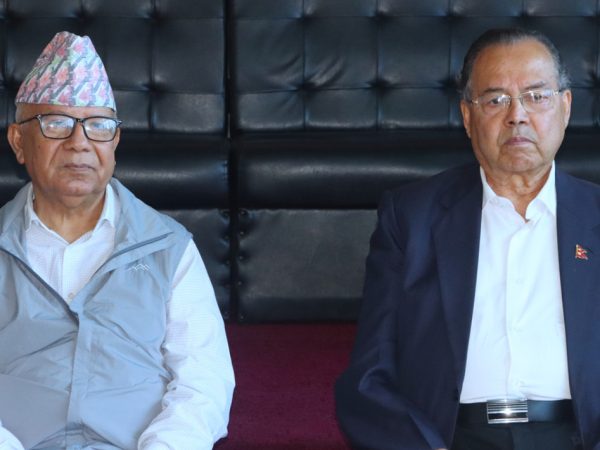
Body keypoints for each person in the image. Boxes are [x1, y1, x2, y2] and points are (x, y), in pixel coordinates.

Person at [336, 28, 600, 450]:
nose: (517, 115)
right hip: (451, 438)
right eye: (496, 100)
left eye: (536, 96)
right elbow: (367, 379)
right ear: (467, 115)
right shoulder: (412, 218)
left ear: (565, 107)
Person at [0, 31, 234, 449]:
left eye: (98, 126)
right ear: (19, 141)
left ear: (115, 142)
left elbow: (203, 379)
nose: (79, 143)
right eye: (56, 124)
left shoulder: (168, 247)